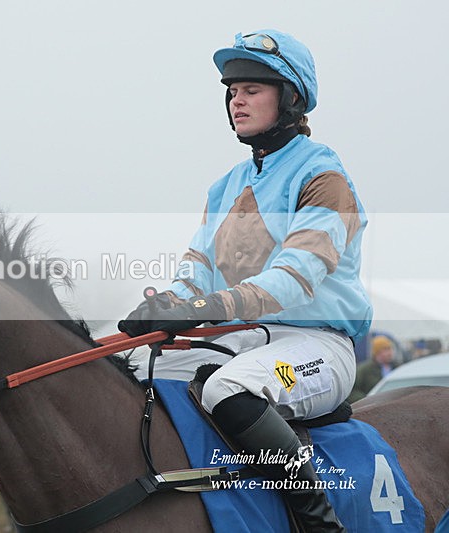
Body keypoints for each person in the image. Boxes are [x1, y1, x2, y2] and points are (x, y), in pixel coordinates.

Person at [119, 29, 371, 532]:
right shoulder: (225, 187)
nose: (237, 100)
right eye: (232, 91)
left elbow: (293, 279)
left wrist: (204, 307)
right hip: (242, 338)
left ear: (291, 98)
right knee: (127, 366)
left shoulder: (324, 177)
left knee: (230, 388)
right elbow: (195, 275)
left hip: (314, 347)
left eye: (252, 89)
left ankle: (319, 523)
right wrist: (167, 303)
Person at [348, 335, 396, 402]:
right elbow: (351, 391)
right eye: (385, 349)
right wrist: (366, 400)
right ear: (377, 352)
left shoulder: (397, 367)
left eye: (390, 348)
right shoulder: (364, 370)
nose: (390, 352)